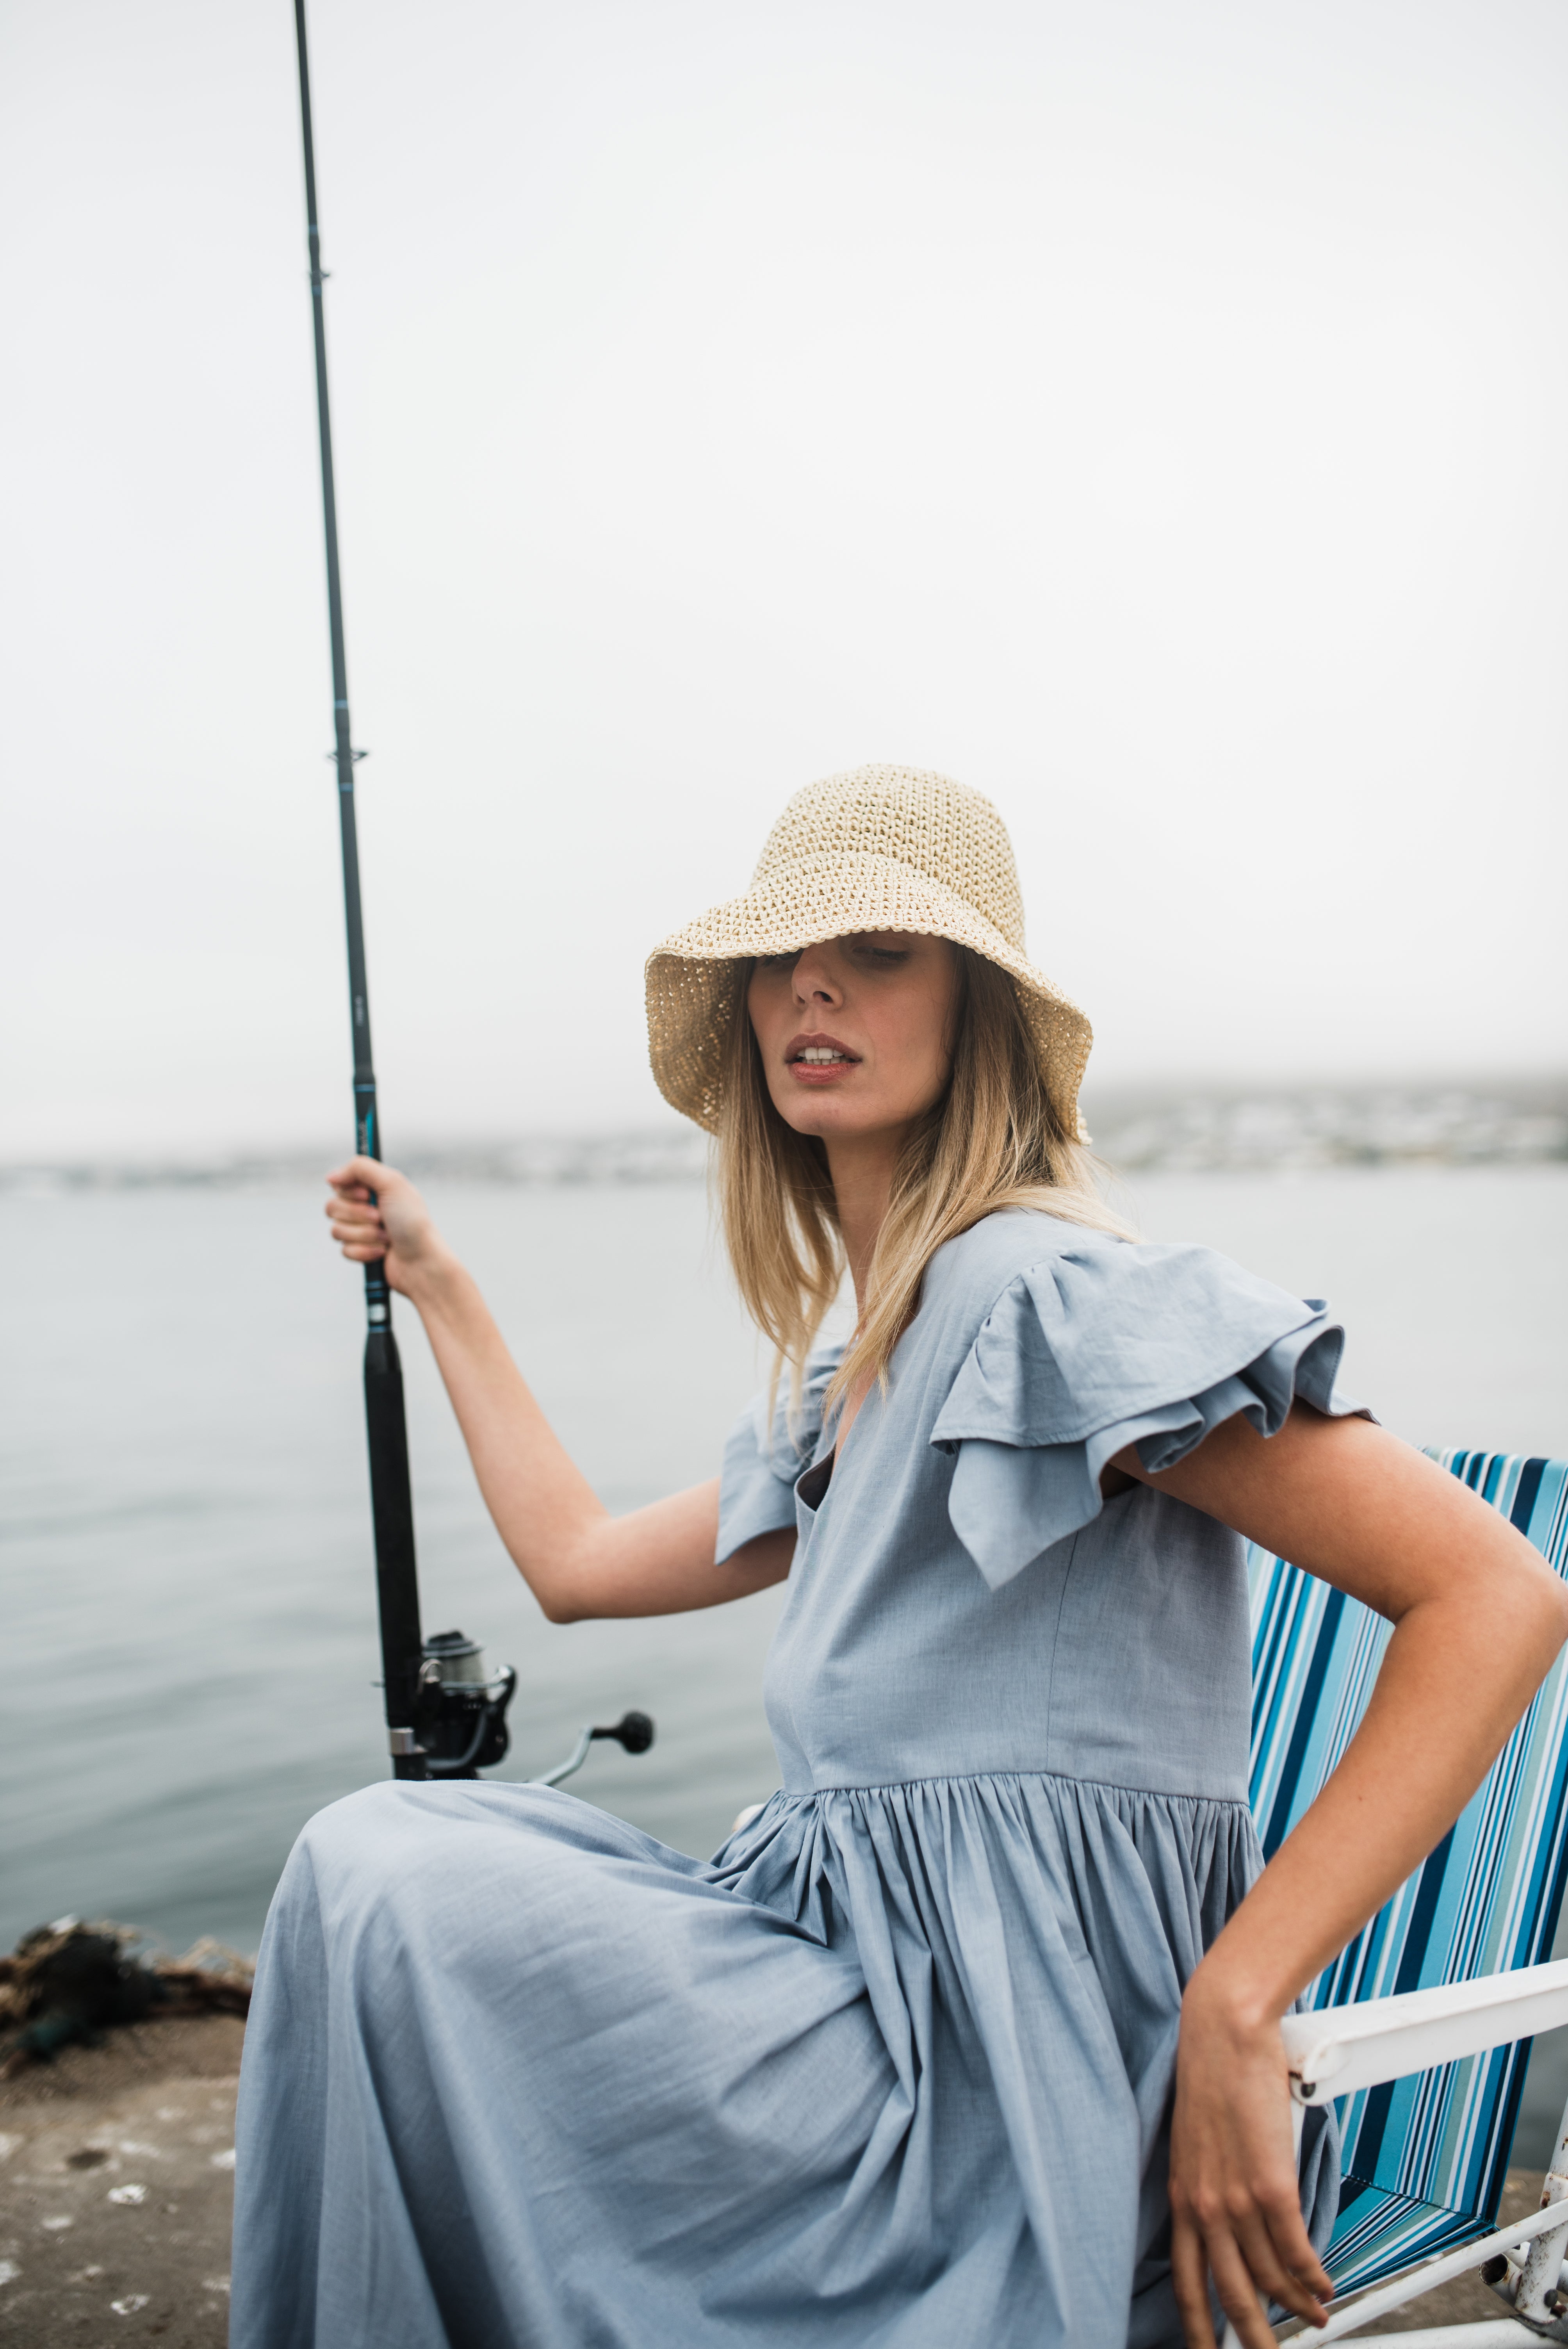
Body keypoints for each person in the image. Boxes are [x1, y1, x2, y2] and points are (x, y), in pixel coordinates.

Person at [230, 765, 1567, 2349]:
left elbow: (1497, 1594)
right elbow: (577, 1563)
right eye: (784, 955)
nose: (812, 982)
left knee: (386, 1885)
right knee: (378, 1863)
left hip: (1013, 2095)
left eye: (878, 949)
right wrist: (443, 1284)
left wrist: (1237, 1999)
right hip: (845, 2004)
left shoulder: (1038, 1296)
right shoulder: (863, 1363)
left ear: (975, 1013)